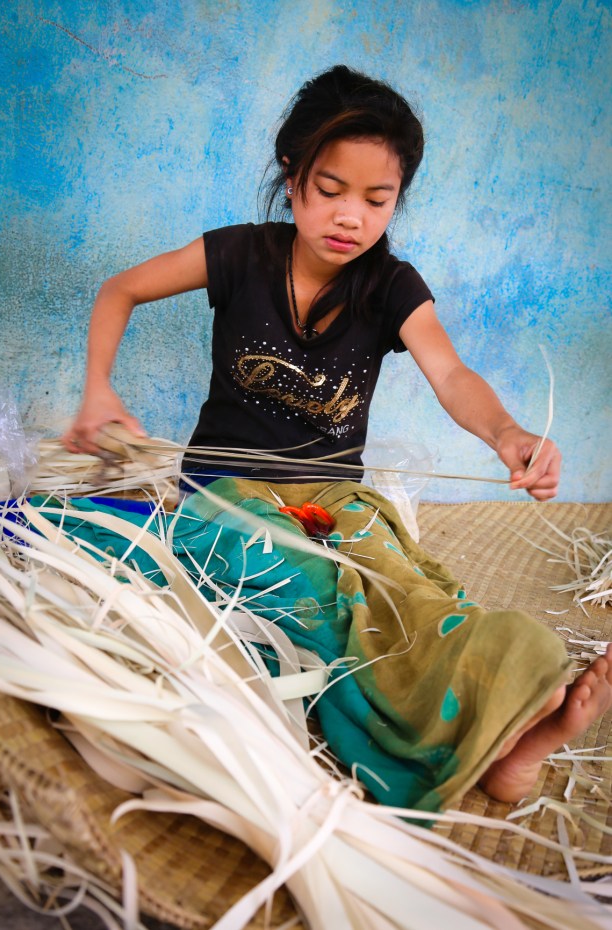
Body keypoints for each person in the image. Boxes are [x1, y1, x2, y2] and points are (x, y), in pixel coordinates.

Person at [61, 65, 612, 812]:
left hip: (334, 493)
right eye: (331, 190)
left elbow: (450, 374)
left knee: (399, 586)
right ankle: (459, 753)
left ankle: (511, 728)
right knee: (315, 594)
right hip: (226, 494)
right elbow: (119, 288)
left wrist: (507, 434)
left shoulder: (391, 286)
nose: (351, 216)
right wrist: (99, 387)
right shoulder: (239, 254)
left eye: (376, 200)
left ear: (396, 202)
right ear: (292, 179)